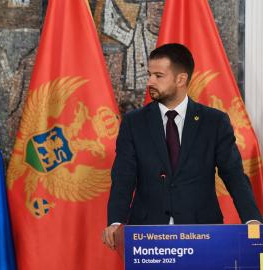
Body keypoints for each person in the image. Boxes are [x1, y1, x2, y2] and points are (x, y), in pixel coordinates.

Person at [102, 43, 262, 249]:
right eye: (149, 74)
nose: (150, 81)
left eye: (158, 76)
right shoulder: (134, 122)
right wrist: (116, 222)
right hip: (147, 237)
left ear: (181, 79)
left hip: (202, 235)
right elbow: (123, 177)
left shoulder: (214, 122)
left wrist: (251, 220)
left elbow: (234, 175)